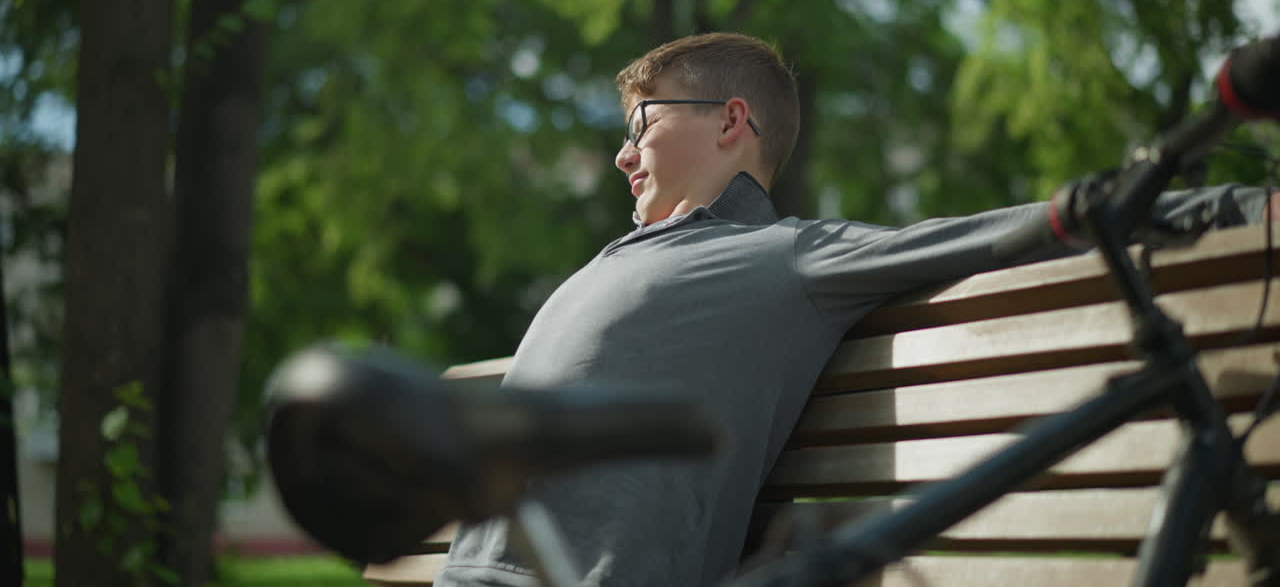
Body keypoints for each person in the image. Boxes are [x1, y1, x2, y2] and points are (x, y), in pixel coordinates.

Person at [435, 32, 1269, 587]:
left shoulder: (788, 257)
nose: (623, 154)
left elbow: (1003, 235)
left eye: (641, 124)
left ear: (731, 122)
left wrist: (1238, 205)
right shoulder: (621, 256)